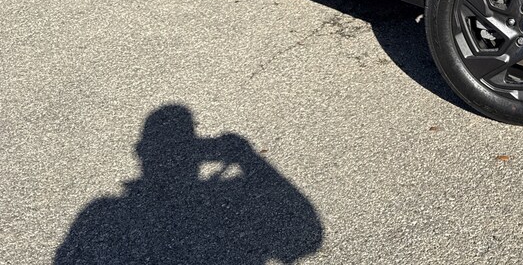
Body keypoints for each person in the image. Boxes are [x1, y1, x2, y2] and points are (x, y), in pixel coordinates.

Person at [54, 104, 323, 264]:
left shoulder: (101, 213)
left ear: (141, 151)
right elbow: (306, 238)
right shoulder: (229, 197)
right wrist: (247, 157)